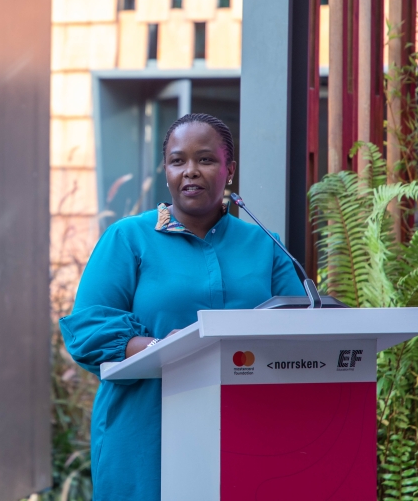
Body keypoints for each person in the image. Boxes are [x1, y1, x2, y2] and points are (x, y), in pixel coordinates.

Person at [59, 112, 305, 501]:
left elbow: (299, 326)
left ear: (230, 170)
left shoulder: (264, 245)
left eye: (205, 159)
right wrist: (162, 348)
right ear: (166, 171)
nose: (190, 171)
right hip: (146, 431)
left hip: (249, 426)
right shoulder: (128, 238)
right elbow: (89, 329)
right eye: (178, 161)